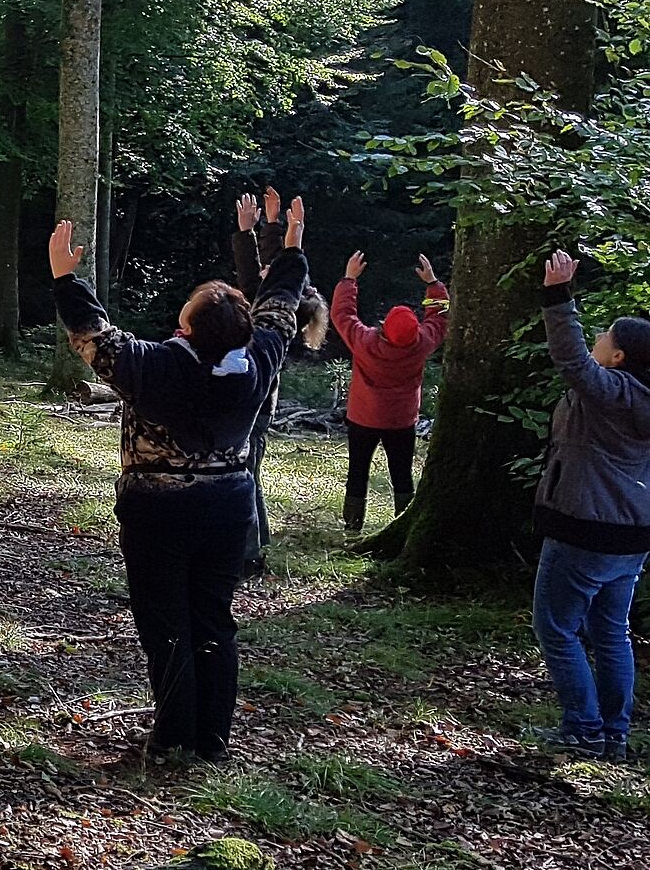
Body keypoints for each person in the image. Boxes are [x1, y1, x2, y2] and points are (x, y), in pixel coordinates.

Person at [51, 198, 312, 763]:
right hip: (227, 506)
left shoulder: (155, 365)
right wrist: (290, 249)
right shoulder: (258, 359)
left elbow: (92, 335)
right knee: (213, 616)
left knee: (166, 619)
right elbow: (282, 309)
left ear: (186, 328)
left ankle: (174, 736)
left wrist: (64, 275)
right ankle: (211, 738)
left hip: (157, 511)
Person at [530, 249, 650, 764]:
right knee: (610, 630)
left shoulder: (616, 393)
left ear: (619, 356)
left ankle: (582, 726)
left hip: (585, 529)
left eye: (607, 336)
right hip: (631, 536)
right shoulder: (640, 396)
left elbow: (572, 362)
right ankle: (613, 731)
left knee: (556, 627)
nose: (599, 340)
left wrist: (559, 297)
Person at [230, 188, 328, 570]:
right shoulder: (280, 310)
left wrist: (269, 236)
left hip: (256, 406)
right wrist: (267, 228)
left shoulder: (275, 318)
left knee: (246, 474)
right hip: (257, 403)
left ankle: (250, 554)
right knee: (248, 471)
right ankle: (257, 543)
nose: (266, 273)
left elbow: (259, 280)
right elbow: (266, 278)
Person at [331, 250, 449, 533]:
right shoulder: (421, 343)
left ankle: (352, 527)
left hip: (363, 419)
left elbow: (342, 314)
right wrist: (433, 283)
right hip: (401, 421)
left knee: (357, 472)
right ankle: (402, 527)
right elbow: (440, 317)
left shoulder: (365, 342)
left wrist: (349, 279)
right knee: (402, 475)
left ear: (383, 326)